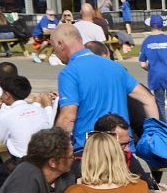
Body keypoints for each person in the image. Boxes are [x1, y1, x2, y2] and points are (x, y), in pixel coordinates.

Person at [52, 22, 156, 150]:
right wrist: (153, 136)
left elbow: (68, 117)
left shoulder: (69, 72)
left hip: (92, 149)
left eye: (54, 49)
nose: (55, 54)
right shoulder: (115, 66)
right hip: (122, 147)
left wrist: (55, 148)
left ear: (60, 44)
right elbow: (148, 100)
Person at [0, 126, 74, 193]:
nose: (73, 159)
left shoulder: (66, 175)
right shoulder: (26, 176)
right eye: (70, 157)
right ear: (53, 162)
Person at [0, 74, 58, 159]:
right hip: (43, 158)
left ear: (6, 95)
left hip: (22, 161)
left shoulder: (7, 115)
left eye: (2, 92)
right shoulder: (38, 110)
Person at [138, 15, 167, 128]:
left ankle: (163, 125)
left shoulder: (146, 42)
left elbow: (142, 64)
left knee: (160, 103)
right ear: (162, 26)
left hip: (155, 75)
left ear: (150, 26)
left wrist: (150, 69)